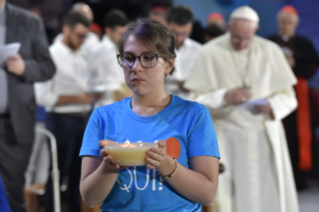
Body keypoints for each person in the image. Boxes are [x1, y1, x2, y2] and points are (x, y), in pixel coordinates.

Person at [79, 18, 220, 212]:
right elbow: (90, 199)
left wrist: (165, 164)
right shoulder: (103, 117)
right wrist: (109, 167)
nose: (136, 67)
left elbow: (206, 194)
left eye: (148, 58)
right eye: (129, 57)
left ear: (169, 65)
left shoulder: (193, 115)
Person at [185, 6, 299, 212]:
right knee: (229, 198)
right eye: (237, 37)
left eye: (247, 38)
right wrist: (224, 96)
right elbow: (195, 101)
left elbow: (290, 98)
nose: (242, 44)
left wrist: (272, 105)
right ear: (228, 27)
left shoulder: (271, 51)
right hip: (226, 138)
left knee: (268, 195)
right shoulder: (209, 52)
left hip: (264, 134)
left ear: (257, 29)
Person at [35, 11, 100, 212]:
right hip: (61, 119)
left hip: (85, 119)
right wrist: (76, 98)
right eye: (79, 36)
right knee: (56, 173)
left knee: (78, 174)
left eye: (85, 36)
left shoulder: (84, 53)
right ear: (66, 30)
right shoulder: (51, 54)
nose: (82, 40)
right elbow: (42, 97)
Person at [0, 1, 56, 212]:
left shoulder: (29, 22)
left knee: (12, 191)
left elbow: (47, 67)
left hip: (13, 124)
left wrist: (24, 67)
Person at [268, 5, 319, 190]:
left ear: (295, 25)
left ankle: (300, 178)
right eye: (283, 22)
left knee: (300, 135)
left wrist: (294, 64)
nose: (285, 26)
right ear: (277, 22)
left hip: (300, 96)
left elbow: (312, 67)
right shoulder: (269, 42)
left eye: (289, 23)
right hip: (274, 94)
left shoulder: (304, 43)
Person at [89, 9, 129, 107]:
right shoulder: (97, 51)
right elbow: (92, 85)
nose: (123, 37)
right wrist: (118, 90)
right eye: (120, 34)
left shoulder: (127, 49)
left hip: (126, 107)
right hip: (106, 107)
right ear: (108, 31)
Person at [165, 5, 202, 99]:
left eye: (184, 33)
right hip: (162, 104)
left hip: (191, 103)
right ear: (166, 24)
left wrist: (194, 85)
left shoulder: (199, 50)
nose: (179, 38)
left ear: (191, 27)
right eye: (175, 33)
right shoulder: (155, 48)